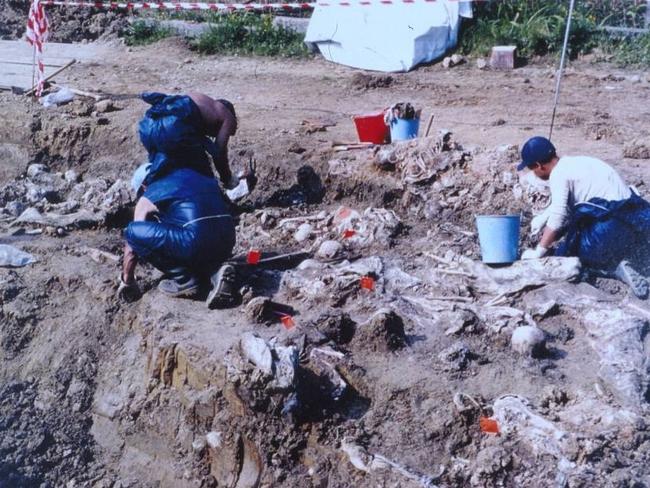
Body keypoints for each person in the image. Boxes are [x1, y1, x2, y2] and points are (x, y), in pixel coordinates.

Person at [518, 136, 650, 298]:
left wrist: (539, 251)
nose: (534, 173)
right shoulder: (578, 162)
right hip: (636, 221)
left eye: (532, 169)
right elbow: (567, 204)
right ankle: (629, 258)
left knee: (568, 255)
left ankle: (615, 270)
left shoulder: (558, 175)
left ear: (539, 165)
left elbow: (560, 216)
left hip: (611, 226)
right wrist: (544, 217)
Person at [117, 163, 238, 307]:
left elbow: (133, 245)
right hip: (227, 240)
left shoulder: (151, 192)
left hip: (196, 240)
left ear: (144, 186)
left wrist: (127, 280)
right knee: (194, 233)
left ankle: (184, 279)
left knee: (132, 230)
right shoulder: (196, 175)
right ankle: (215, 272)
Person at [138, 91, 239, 189]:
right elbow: (219, 152)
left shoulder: (201, 102)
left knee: (164, 170)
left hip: (148, 125)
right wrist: (227, 179)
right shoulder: (227, 116)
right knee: (201, 174)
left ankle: (148, 196)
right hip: (174, 128)